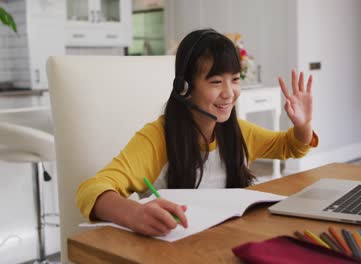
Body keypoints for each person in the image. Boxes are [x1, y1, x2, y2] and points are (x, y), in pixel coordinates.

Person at [76, 28, 318, 237]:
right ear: (184, 88)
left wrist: (303, 125)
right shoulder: (157, 137)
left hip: (225, 242)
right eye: (215, 82)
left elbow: (291, 146)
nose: (229, 93)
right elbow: (91, 189)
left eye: (234, 79)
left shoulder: (237, 131)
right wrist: (135, 213)